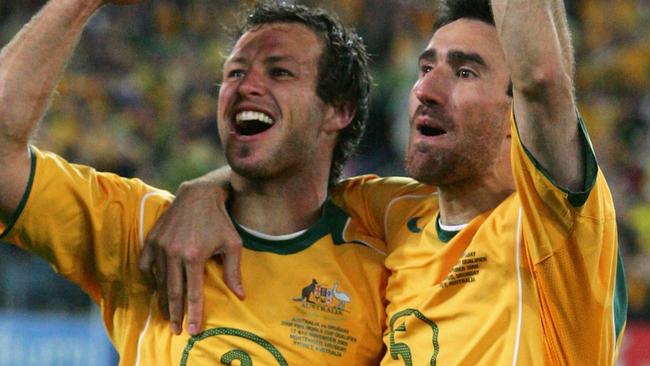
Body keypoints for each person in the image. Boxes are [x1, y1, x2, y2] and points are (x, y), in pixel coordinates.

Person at [143, 0, 628, 364]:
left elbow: (543, 78)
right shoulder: (393, 212)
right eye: (425, 67)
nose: (424, 89)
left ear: (515, 114)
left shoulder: (553, 228)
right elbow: (289, 168)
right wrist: (205, 188)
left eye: (463, 71)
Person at [0, 0, 389, 364]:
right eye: (235, 72)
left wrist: (209, 185)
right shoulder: (143, 228)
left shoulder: (379, 269)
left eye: (279, 71)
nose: (245, 86)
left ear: (339, 110)